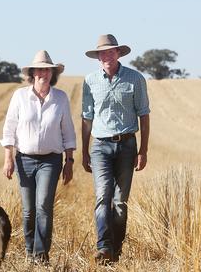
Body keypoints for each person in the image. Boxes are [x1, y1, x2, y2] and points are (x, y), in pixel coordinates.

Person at [0, 50, 76, 264]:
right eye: (39, 69)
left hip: (51, 161)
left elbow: (68, 131)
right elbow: (10, 128)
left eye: (46, 69)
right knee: (28, 211)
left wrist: (69, 161)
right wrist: (9, 158)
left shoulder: (60, 98)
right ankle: (29, 251)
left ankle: (41, 255)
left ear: (52, 74)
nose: (42, 73)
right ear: (32, 73)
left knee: (43, 206)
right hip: (24, 160)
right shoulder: (20, 96)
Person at [81, 34, 150, 264]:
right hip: (100, 146)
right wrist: (84, 151)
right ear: (98, 57)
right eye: (103, 53)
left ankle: (116, 249)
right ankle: (103, 247)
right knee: (103, 197)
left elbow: (144, 115)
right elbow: (87, 118)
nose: (107, 56)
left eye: (111, 51)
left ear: (118, 53)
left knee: (120, 202)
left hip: (127, 145)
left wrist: (143, 151)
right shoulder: (90, 81)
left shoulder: (135, 79)